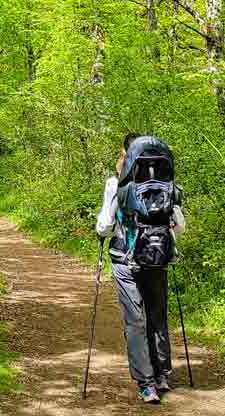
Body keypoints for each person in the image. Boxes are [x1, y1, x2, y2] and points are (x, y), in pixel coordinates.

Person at [96, 132, 185, 405]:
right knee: (157, 315)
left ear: (127, 153)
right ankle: (162, 375)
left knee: (135, 321)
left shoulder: (115, 184)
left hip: (125, 258)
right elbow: (180, 226)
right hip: (158, 258)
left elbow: (105, 225)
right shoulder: (167, 183)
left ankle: (146, 384)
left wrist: (101, 232)